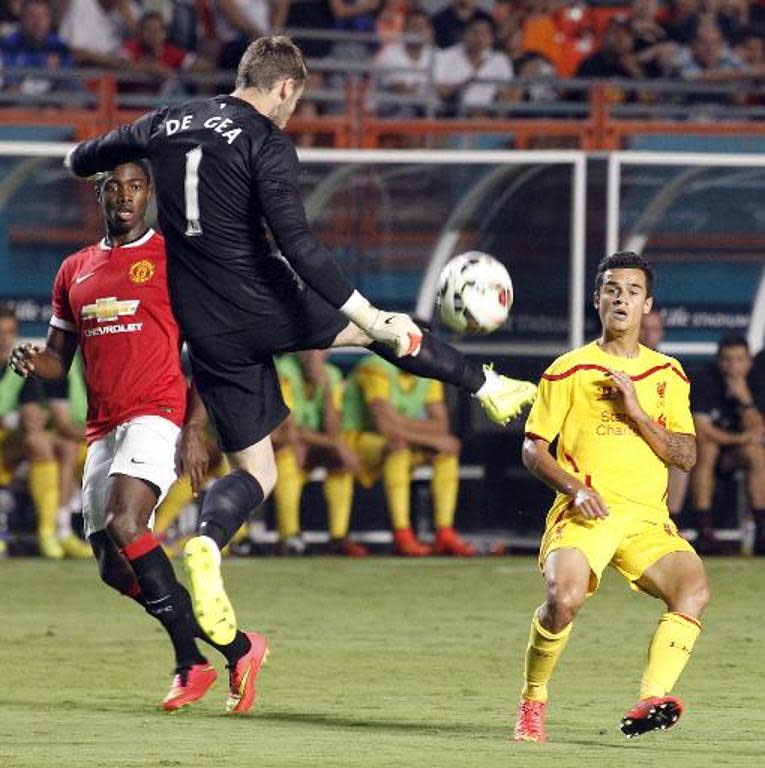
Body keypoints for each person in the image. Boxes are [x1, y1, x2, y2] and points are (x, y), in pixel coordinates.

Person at [64, 34, 537, 648]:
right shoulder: (266, 141)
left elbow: (81, 158)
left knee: (255, 469)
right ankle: (489, 385)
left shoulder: (164, 122)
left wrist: (95, 157)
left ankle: (207, 539)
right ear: (285, 87)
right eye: (295, 100)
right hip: (266, 301)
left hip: (206, 326)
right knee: (380, 334)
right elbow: (298, 244)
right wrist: (366, 314)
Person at [10, 161, 268, 714]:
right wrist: (34, 360)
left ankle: (189, 663)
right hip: (103, 425)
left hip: (157, 412)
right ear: (98, 194)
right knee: (110, 561)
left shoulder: (173, 258)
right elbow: (60, 358)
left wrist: (197, 426)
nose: (124, 196)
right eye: (113, 187)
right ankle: (238, 647)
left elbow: (209, 347)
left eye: (135, 186)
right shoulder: (74, 269)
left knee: (128, 522)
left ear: (149, 193)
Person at [513, 251, 709, 743]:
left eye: (633, 292)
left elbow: (685, 455)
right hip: (586, 512)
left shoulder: (669, 374)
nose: (622, 299)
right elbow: (533, 450)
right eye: (612, 290)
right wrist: (575, 490)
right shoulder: (568, 370)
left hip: (645, 520)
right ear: (597, 299)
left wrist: (639, 414)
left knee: (694, 590)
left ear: (648, 306)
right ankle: (533, 701)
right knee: (562, 600)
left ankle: (651, 698)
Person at [342, 354, 476, 556]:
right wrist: (427, 436)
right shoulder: (375, 367)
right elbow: (385, 427)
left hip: (398, 442)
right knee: (400, 448)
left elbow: (441, 425)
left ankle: (444, 532)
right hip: (354, 441)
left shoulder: (429, 369)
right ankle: (402, 534)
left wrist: (399, 423)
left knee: (444, 454)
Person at [272, 350, 366, 556]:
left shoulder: (331, 375)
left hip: (311, 442)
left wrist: (326, 389)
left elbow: (333, 431)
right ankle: (290, 536)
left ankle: (338, 537)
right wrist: (333, 443)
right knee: (287, 455)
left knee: (340, 461)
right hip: (276, 443)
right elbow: (288, 429)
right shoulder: (283, 370)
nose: (315, 355)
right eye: (310, 348)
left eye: (320, 349)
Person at [689, 334, 765, 555]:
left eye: (740, 360)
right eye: (728, 360)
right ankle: (705, 531)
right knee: (707, 448)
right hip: (709, 449)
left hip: (736, 452)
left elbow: (758, 430)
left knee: (757, 454)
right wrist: (740, 439)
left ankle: (761, 532)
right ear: (719, 361)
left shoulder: (756, 381)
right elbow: (702, 428)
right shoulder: (705, 379)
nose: (733, 366)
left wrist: (745, 399)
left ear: (749, 361)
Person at [0, 304, 64, 558]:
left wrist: (29, 418)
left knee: (39, 441)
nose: (5, 340)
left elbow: (32, 414)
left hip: (5, 447)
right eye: (0, 333)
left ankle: (48, 533)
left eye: (10, 332)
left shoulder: (21, 367)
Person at [640, 308, 689, 517]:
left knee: (682, 455)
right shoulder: (611, 362)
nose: (649, 334)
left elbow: (678, 421)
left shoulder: (671, 370)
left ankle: (672, 521)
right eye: (644, 328)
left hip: (657, 436)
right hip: (619, 436)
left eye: (655, 329)